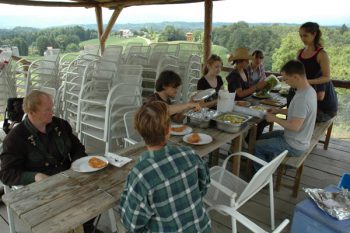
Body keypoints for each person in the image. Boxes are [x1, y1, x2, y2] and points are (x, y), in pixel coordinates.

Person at [0, 90, 101, 233]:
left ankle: (85, 227)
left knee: (99, 194)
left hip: (69, 178)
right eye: (47, 109)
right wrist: (35, 176)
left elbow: (77, 147)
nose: (52, 112)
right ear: (32, 112)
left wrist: (77, 162)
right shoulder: (15, 139)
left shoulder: (60, 125)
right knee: (75, 209)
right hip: (42, 189)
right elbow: (6, 174)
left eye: (52, 108)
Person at [119, 101, 211, 232]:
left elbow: (132, 224)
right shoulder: (190, 154)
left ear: (140, 132)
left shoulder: (140, 175)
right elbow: (204, 185)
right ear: (168, 130)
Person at [254, 60, 317, 171]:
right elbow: (296, 112)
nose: (285, 82)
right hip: (297, 138)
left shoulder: (303, 98)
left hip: (294, 145)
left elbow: (294, 126)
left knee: (257, 146)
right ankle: (268, 166)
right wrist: (277, 111)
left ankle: (263, 179)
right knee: (261, 137)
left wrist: (274, 118)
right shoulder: (308, 90)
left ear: (296, 77)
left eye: (286, 79)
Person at [289, 22, 338, 122]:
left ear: (314, 34)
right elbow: (298, 73)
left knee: (295, 117)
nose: (302, 38)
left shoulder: (321, 54)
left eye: (305, 35)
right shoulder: (300, 52)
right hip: (310, 100)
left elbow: (326, 77)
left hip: (324, 109)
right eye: (301, 36)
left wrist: (306, 82)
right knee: (292, 112)